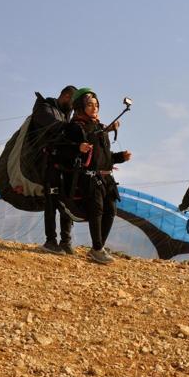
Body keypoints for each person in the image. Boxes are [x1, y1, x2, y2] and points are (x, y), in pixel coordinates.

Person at [60, 88, 131, 264]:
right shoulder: (75, 128)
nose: (94, 108)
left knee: (111, 210)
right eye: (90, 105)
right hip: (89, 177)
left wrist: (120, 157)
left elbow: (104, 157)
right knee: (96, 210)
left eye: (96, 105)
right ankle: (98, 248)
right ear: (80, 106)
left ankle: (97, 248)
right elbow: (62, 149)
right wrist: (78, 148)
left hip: (107, 177)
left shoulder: (100, 128)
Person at [31, 85, 77, 254]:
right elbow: (54, 126)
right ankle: (51, 241)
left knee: (66, 201)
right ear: (65, 97)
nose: (72, 108)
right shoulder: (44, 109)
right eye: (72, 103)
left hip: (65, 166)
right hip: (49, 163)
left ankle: (66, 241)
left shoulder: (67, 117)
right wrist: (72, 128)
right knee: (51, 202)